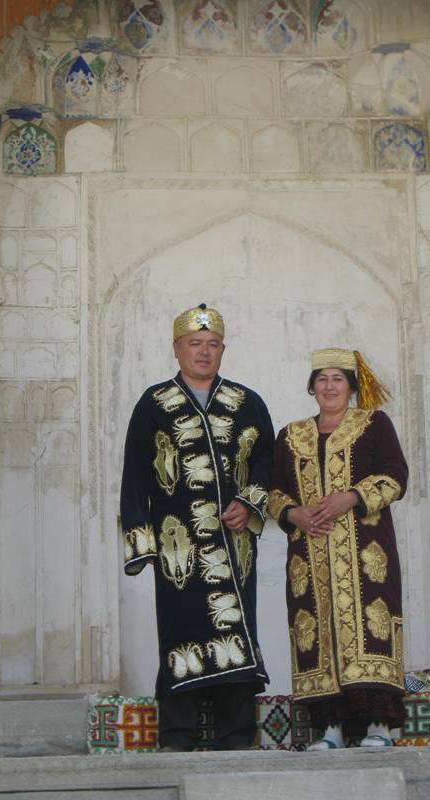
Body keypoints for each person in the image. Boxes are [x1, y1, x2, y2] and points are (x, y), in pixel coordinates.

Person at [120, 303, 274, 751]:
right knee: (181, 629)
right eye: (195, 344)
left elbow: (267, 462)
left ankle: (237, 735)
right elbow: (135, 478)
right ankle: (178, 734)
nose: (203, 353)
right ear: (177, 349)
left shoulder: (247, 403)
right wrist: (143, 546)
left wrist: (250, 504)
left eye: (212, 345)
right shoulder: (153, 404)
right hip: (178, 545)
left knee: (236, 626)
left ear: (222, 350)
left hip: (234, 543)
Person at [268, 348, 408, 749]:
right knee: (316, 631)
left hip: (366, 553)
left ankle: (379, 726)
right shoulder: (291, 436)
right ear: (312, 387)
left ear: (351, 386)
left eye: (338, 379)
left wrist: (352, 496)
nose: (329, 386)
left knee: (369, 625)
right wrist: (292, 513)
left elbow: (396, 477)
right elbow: (273, 490)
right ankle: (328, 727)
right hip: (309, 555)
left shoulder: (373, 425)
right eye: (322, 379)